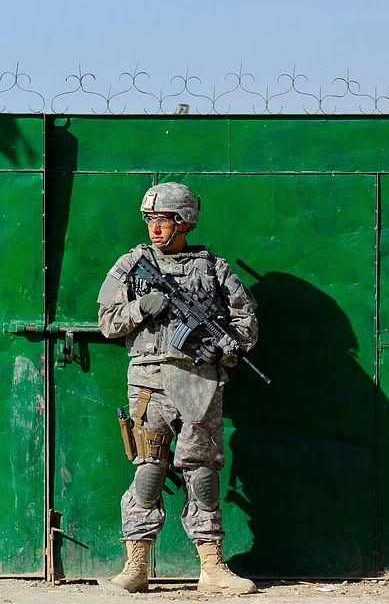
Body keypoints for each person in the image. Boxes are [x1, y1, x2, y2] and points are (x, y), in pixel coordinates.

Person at [96, 182, 259, 595]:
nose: (154, 228)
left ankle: (212, 568)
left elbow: (246, 323)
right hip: (149, 382)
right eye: (150, 220)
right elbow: (108, 322)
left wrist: (225, 349)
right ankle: (136, 565)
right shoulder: (132, 265)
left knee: (202, 472)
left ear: (183, 222)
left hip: (200, 383)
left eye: (163, 220)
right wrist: (139, 308)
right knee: (149, 470)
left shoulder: (215, 268)